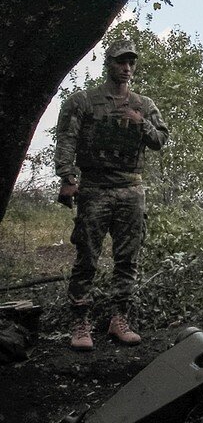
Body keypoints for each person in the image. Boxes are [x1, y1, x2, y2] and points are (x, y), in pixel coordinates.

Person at [54, 39, 169, 351]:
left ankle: (119, 318)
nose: (127, 68)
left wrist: (141, 122)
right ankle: (80, 323)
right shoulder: (84, 101)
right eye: (121, 62)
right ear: (108, 64)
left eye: (131, 62)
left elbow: (160, 140)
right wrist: (67, 176)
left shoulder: (144, 105)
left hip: (131, 188)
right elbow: (66, 139)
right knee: (87, 257)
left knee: (127, 258)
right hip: (94, 187)